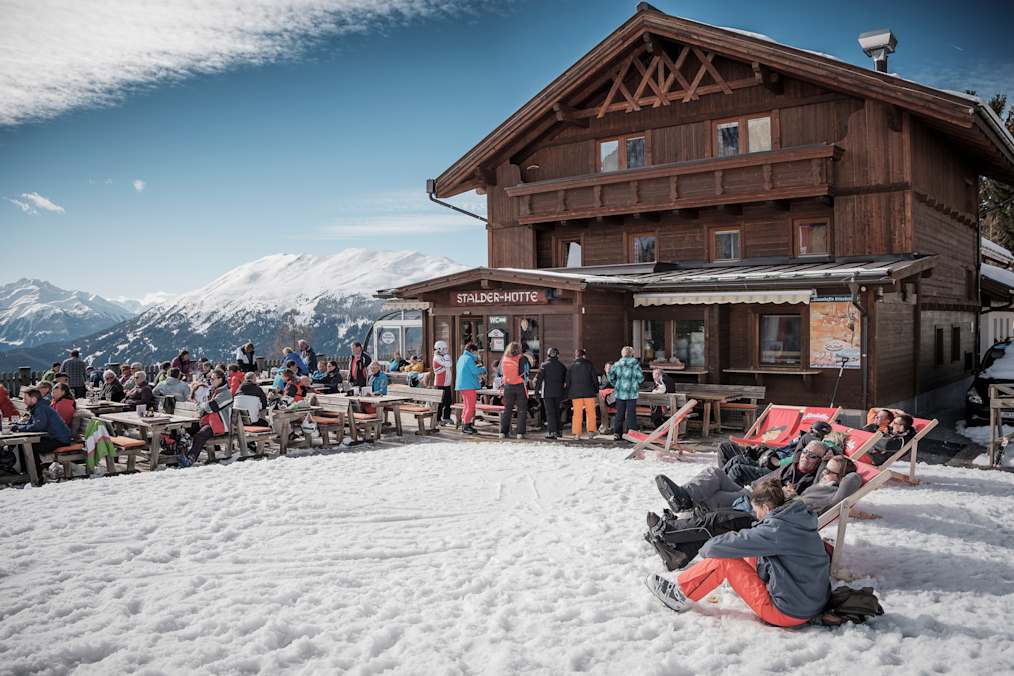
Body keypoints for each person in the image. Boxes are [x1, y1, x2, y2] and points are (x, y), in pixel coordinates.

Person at [646, 479, 831, 627]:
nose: (755, 515)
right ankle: (706, 581)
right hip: (810, 600)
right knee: (749, 549)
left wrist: (705, 548)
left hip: (788, 611)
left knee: (727, 560)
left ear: (766, 508)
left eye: (756, 510)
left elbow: (712, 549)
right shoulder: (797, 518)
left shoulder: (776, 530)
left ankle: (681, 593)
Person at [721, 422, 833, 483]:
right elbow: (787, 448)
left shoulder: (820, 446)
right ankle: (719, 481)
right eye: (810, 429)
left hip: (773, 467)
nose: (809, 432)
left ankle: (722, 485)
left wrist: (778, 463)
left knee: (737, 466)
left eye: (813, 431)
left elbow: (795, 459)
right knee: (725, 447)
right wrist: (763, 449)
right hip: (768, 455)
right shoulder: (802, 441)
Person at [181, 370, 233, 467]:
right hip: (209, 422)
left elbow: (211, 407)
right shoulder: (214, 391)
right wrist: (203, 405)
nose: (211, 381)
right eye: (210, 379)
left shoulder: (226, 394)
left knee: (200, 435)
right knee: (187, 427)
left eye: (213, 379)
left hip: (220, 425)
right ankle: (181, 453)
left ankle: (190, 459)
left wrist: (203, 405)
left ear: (220, 379)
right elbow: (202, 406)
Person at [12, 387, 73, 457]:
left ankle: (34, 468)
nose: (24, 401)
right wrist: (16, 425)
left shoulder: (41, 408)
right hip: (54, 438)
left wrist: (18, 428)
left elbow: (38, 426)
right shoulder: (38, 407)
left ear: (34, 399)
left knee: (27, 447)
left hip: (60, 440)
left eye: (25, 399)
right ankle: (34, 467)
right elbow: (31, 423)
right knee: (23, 445)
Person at [607, 346, 644, 441]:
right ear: (632, 354)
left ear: (622, 354)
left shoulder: (617, 364)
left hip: (620, 392)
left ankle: (617, 433)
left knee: (620, 413)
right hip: (632, 393)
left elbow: (610, 376)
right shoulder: (635, 365)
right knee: (631, 414)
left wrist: (616, 384)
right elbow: (641, 378)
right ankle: (631, 434)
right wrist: (635, 384)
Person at [564, 349, 598, 440]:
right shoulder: (589, 365)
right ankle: (590, 432)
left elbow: (567, 382)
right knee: (590, 412)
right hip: (589, 393)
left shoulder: (571, 367)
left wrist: (569, 392)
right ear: (584, 356)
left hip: (575, 394)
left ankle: (577, 434)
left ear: (576, 356)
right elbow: (595, 379)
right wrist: (596, 389)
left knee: (577, 414)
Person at [533, 347, 567, 439]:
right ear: (557, 355)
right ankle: (559, 431)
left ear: (548, 355)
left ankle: (552, 432)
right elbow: (566, 379)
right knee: (557, 412)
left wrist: (536, 391)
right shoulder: (561, 366)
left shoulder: (544, 365)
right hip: (559, 392)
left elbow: (539, 379)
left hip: (547, 392)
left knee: (550, 413)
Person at [455, 342, 485, 435]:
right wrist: (483, 369)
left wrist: (477, 359)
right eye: (476, 352)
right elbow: (475, 370)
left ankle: (465, 423)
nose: (477, 354)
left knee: (467, 405)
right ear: (472, 350)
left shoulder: (461, 358)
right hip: (469, 385)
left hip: (462, 385)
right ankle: (466, 425)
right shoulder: (469, 359)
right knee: (471, 406)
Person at [499, 342, 528, 440]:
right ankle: (520, 433)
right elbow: (526, 371)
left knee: (507, 410)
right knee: (521, 410)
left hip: (507, 386)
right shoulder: (522, 358)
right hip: (519, 385)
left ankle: (503, 432)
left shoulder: (504, 359)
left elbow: (500, 372)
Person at [432, 341, 454, 425]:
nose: (446, 350)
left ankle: (446, 417)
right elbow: (446, 365)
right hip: (440, 384)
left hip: (447, 384)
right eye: (444, 348)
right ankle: (437, 419)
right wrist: (445, 365)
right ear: (439, 348)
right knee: (440, 402)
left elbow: (449, 364)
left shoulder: (445, 356)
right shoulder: (437, 357)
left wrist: (445, 365)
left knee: (448, 401)